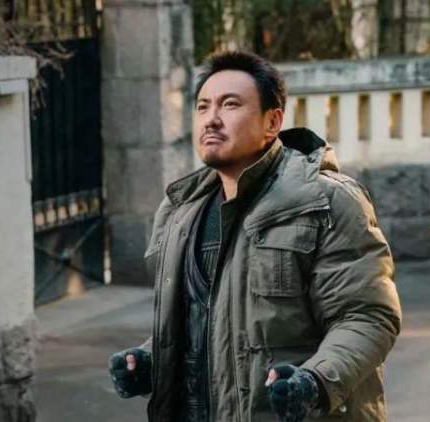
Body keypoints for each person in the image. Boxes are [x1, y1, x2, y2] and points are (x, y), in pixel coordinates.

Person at [108, 50, 402, 422]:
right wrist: (151, 359)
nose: (212, 119)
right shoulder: (179, 211)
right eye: (202, 107)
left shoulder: (326, 201)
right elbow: (205, 318)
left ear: (272, 122)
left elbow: (367, 316)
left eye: (230, 105)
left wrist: (314, 381)